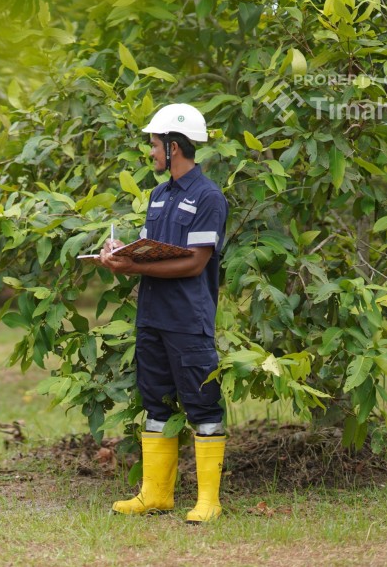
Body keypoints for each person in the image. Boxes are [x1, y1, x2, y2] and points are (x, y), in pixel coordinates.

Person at [100, 103, 228, 522]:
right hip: (152, 318)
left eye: (155, 145)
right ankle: (156, 494)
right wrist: (119, 256)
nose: (151, 153)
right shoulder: (157, 196)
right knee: (156, 404)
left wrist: (134, 264)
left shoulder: (208, 197)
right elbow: (148, 253)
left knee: (203, 405)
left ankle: (208, 500)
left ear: (174, 147)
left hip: (188, 321)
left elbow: (194, 262)